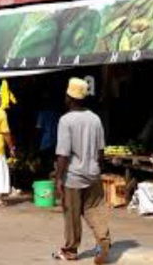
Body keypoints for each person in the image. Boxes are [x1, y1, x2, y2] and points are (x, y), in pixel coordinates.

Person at [53, 78, 111, 264]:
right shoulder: (95, 118)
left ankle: (70, 250)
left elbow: (63, 153)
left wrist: (59, 178)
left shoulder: (66, 120)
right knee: (94, 209)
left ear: (69, 97)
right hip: (93, 173)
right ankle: (103, 240)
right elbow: (101, 150)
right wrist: (96, 168)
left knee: (72, 214)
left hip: (73, 176)